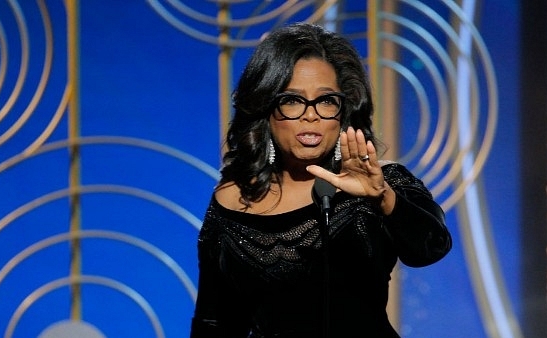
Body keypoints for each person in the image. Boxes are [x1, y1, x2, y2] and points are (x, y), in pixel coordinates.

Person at [189, 23, 452, 338]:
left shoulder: (382, 182)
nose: (310, 115)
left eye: (326, 100)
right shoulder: (232, 198)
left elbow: (431, 247)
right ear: (266, 110)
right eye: (292, 100)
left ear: (343, 111)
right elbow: (214, 321)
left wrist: (383, 197)